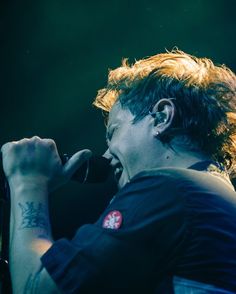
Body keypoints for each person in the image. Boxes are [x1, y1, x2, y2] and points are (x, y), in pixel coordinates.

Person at [1, 50, 236, 293]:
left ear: (161, 117)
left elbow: (35, 289)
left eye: (114, 132)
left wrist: (27, 182)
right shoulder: (211, 196)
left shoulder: (168, 190)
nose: (106, 155)